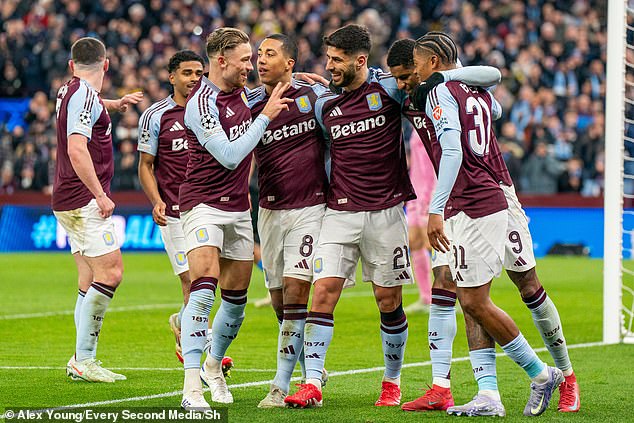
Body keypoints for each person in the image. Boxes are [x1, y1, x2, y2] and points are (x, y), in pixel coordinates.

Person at [411, 31, 575, 417]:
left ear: (433, 62)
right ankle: (489, 394)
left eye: (418, 66)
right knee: (468, 297)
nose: (414, 76)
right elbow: (495, 103)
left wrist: (435, 209)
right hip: (481, 196)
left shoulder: (439, 91)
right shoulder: (473, 89)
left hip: (477, 199)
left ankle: (547, 373)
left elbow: (452, 150)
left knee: (480, 297)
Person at [284, 24, 415, 409]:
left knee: (387, 299)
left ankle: (392, 382)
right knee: (322, 292)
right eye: (328, 59)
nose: (330, 66)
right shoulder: (325, 105)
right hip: (339, 212)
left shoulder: (389, 90)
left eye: (337, 60)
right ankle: (312, 383)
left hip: (386, 213)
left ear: (361, 60)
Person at [178, 27, 291, 409]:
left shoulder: (244, 93)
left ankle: (213, 365)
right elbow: (229, 154)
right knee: (204, 288)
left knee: (237, 300)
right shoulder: (200, 103)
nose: (251, 66)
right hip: (202, 204)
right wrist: (265, 119)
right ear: (221, 61)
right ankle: (191, 386)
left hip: (238, 207)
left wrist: (296, 79)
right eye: (244, 60)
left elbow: (266, 95)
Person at [52, 37, 142, 383]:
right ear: (106, 64)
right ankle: (84, 360)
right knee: (111, 273)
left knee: (88, 278)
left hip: (65, 198)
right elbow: (77, 149)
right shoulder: (84, 96)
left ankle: (80, 358)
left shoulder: (69, 91)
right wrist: (99, 196)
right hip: (83, 197)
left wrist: (114, 103)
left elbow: (86, 102)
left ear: (71, 65)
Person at [247, 34, 330, 408]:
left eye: (270, 54)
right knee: (281, 304)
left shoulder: (313, 98)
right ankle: (310, 369)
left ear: (290, 62)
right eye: (258, 54)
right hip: (269, 211)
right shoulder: (250, 104)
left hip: (310, 207)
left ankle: (280, 386)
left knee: (298, 293)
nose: (260, 60)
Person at [137, 50, 205, 363]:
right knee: (192, 280)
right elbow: (145, 164)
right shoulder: (156, 116)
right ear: (172, 77)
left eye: (199, 72)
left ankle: (183, 323)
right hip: (175, 213)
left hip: (208, 209)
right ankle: (200, 354)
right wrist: (156, 201)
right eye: (188, 73)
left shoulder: (211, 110)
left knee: (211, 282)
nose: (194, 79)